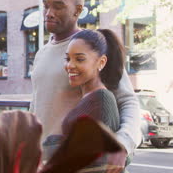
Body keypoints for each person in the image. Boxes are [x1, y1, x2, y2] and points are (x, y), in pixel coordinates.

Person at [30, 0, 141, 173]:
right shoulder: (42, 53)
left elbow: (128, 101)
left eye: (58, 6)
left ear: (78, 10)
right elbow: (37, 105)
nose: (49, 12)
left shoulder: (95, 49)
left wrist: (124, 144)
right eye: (46, 5)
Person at [43, 29, 125, 172]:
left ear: (101, 62)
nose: (70, 65)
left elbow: (104, 161)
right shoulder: (87, 98)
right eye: (68, 58)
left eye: (79, 59)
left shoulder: (102, 99)